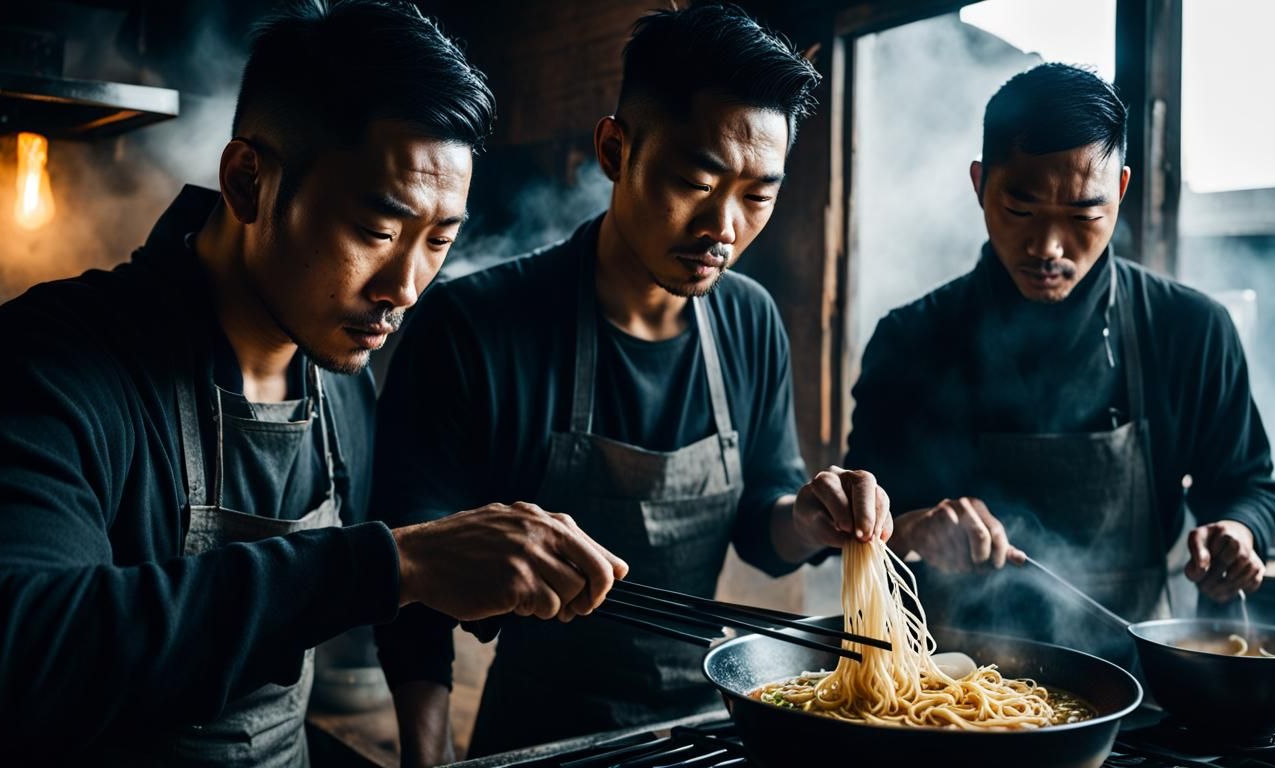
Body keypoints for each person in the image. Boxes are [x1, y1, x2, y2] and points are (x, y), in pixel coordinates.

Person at [0, 2, 625, 764]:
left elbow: (387, 597)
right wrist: (391, 564)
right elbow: (0, 652)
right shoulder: (48, 364)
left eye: (439, 240)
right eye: (377, 232)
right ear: (248, 182)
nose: (406, 286)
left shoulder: (341, 390)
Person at [371, 4, 892, 763]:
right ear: (616, 149)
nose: (724, 225)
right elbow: (411, 580)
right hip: (539, 738)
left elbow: (764, 526)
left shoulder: (749, 320)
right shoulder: (475, 325)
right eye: (696, 179)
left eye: (758, 195)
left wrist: (809, 518)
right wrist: (429, 756)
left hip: (705, 731)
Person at [844, 63, 1275, 651]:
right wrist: (916, 526)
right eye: (1021, 211)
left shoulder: (1190, 330)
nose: (1048, 248)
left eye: (1083, 216)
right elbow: (858, 525)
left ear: (1121, 193)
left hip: (1139, 682)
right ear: (980, 185)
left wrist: (1239, 531)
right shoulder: (912, 339)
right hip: (946, 687)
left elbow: (1249, 486)